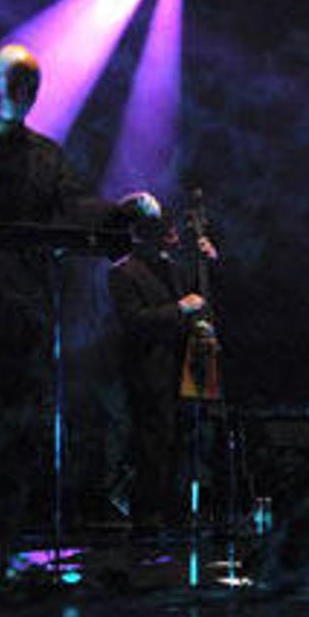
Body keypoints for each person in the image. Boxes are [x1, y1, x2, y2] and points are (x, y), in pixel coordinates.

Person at [0, 44, 155, 575]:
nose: (21, 91)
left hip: (24, 312)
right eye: (13, 79)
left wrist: (120, 211)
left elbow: (74, 206)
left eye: (30, 83)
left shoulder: (46, 155)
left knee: (16, 434)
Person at [107, 198, 219, 530]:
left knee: (182, 439)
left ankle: (175, 511)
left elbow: (198, 296)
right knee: (154, 440)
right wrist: (179, 309)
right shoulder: (123, 271)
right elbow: (134, 320)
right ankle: (147, 514)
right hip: (148, 368)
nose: (174, 238)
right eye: (167, 233)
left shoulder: (171, 267)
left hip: (183, 363)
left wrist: (208, 262)